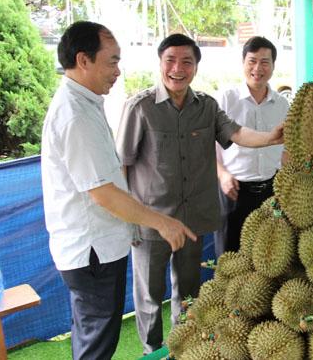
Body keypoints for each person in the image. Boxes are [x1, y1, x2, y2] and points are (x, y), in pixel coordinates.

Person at [116, 33, 283, 354]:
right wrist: (129, 222)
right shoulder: (140, 107)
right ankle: (152, 350)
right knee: (150, 297)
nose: (178, 69)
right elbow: (122, 166)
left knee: (189, 292)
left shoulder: (206, 106)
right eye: (171, 61)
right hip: (151, 220)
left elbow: (236, 133)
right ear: (161, 64)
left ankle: (184, 347)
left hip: (193, 220)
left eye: (186, 62)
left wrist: (270, 138)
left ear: (195, 67)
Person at [41, 21, 196, 360]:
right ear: (84, 60)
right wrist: (161, 222)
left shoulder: (85, 103)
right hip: (91, 251)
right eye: (111, 61)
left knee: (95, 334)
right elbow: (103, 193)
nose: (117, 70)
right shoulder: (74, 115)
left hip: (97, 247)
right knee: (98, 340)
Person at [214, 36, 290, 257]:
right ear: (243, 63)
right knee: (229, 258)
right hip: (234, 191)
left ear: (273, 66)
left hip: (270, 192)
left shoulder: (282, 104)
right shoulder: (226, 99)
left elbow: (285, 151)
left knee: (266, 258)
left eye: (265, 62)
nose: (258, 68)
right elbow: (208, 147)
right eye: (252, 61)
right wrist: (223, 175)